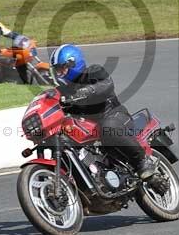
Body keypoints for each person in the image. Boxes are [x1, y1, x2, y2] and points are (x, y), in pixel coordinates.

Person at [49, 43, 157, 180]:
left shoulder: (93, 72)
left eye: (61, 68)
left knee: (108, 127)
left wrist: (86, 91)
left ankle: (142, 161)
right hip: (90, 129)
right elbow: (52, 98)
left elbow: (106, 84)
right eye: (57, 70)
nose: (59, 74)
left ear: (73, 63)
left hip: (115, 115)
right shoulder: (64, 90)